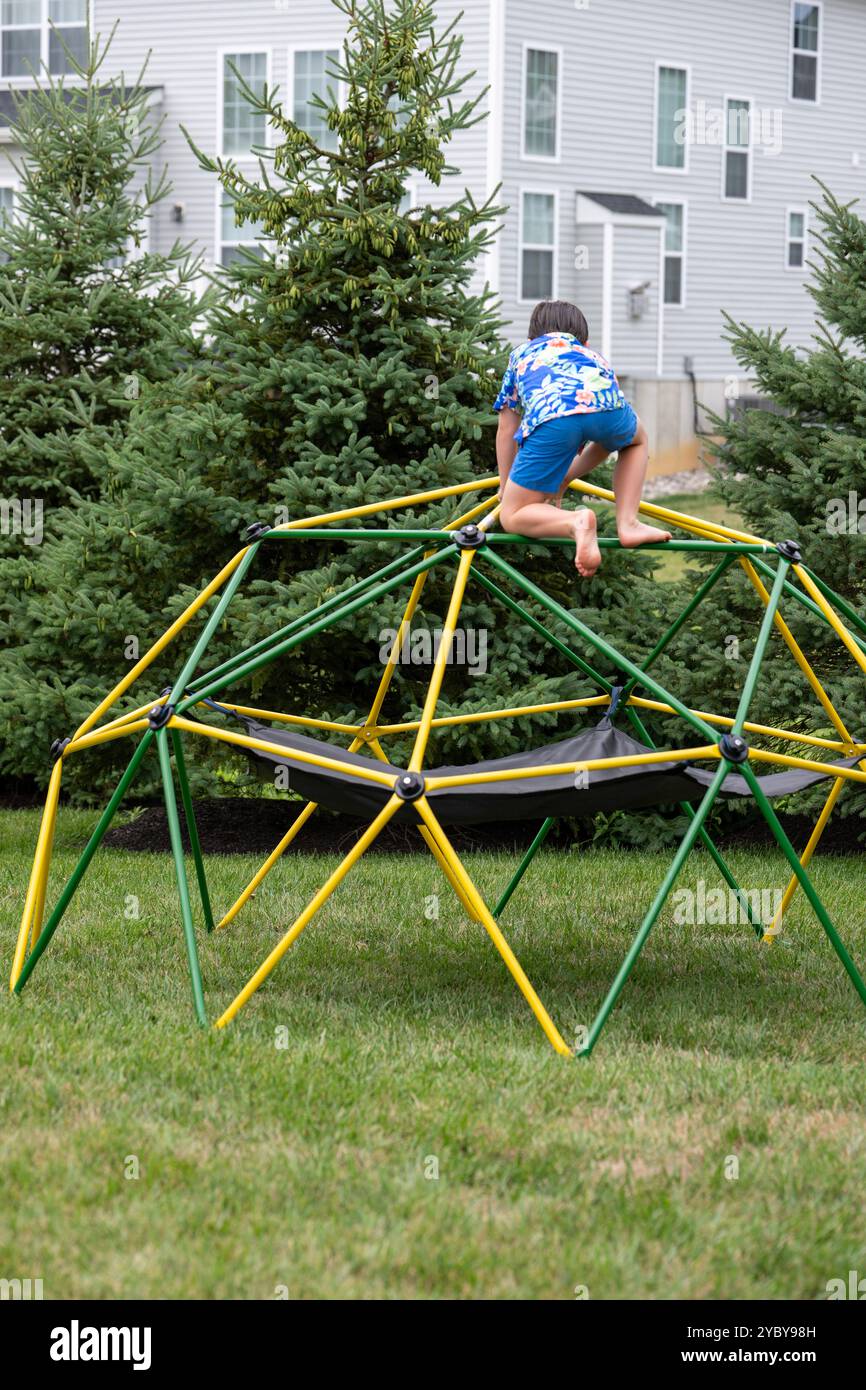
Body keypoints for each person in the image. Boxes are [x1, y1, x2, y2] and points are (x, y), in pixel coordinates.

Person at [494, 299, 671, 577]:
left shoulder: (523, 354)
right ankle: (628, 523)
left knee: (513, 515)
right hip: (606, 409)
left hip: (553, 417)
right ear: (584, 342)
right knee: (636, 440)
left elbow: (506, 429)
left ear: (531, 338)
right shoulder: (592, 356)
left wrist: (507, 488)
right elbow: (606, 437)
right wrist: (566, 476)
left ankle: (576, 522)